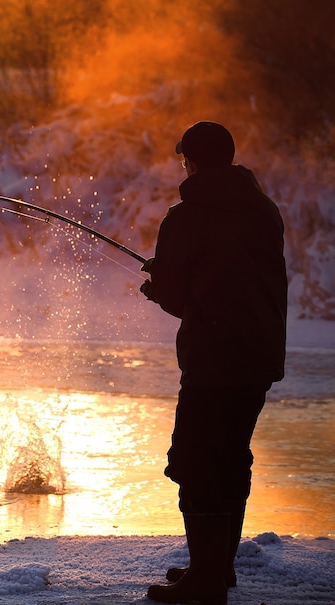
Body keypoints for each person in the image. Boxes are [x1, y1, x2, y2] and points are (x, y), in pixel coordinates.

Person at [140, 121, 288, 605]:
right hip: (259, 356)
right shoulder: (264, 210)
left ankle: (206, 580)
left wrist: (157, 284)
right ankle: (217, 566)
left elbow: (178, 294)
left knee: (195, 459)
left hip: (213, 358)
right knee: (231, 455)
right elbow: (234, 284)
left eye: (185, 159)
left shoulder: (186, 217)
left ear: (194, 161)